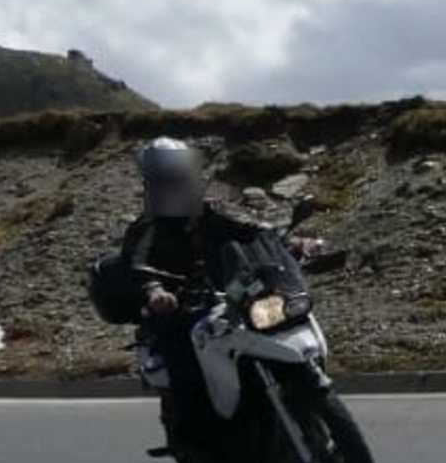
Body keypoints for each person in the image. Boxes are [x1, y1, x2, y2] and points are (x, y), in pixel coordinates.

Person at [113, 138, 321, 437]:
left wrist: (292, 244)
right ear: (152, 183)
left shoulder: (210, 213)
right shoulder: (146, 228)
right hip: (180, 308)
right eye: (168, 179)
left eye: (181, 176)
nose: (177, 185)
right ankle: (200, 435)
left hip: (231, 297)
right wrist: (155, 291)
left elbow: (252, 232)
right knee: (183, 360)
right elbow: (135, 265)